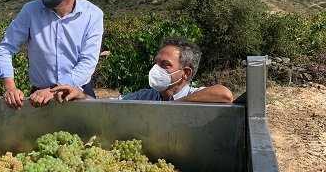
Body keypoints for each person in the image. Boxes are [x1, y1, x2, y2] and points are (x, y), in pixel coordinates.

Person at [0, 0, 104, 109]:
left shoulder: (92, 15)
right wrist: (10, 87)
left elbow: (88, 61)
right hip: (38, 97)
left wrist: (53, 90)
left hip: (77, 93)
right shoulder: (31, 11)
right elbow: (5, 47)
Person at [51, 38, 234, 103]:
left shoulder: (196, 96)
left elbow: (224, 94)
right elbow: (112, 105)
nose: (156, 69)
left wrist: (176, 106)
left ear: (185, 73)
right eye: (156, 63)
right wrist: (82, 95)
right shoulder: (146, 97)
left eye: (165, 65)